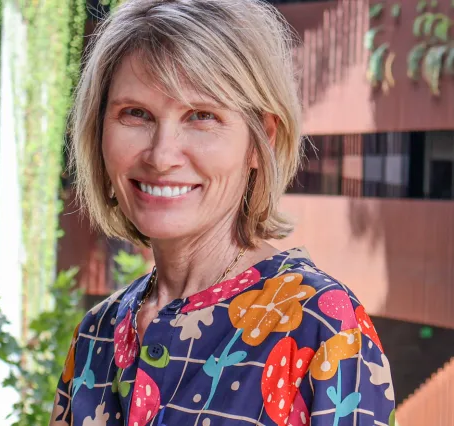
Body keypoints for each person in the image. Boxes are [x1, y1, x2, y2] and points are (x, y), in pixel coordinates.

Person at [50, 0, 396, 425]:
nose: (161, 156)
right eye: (136, 114)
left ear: (260, 141)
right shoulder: (94, 335)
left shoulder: (323, 326)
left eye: (202, 116)